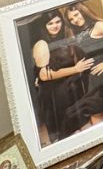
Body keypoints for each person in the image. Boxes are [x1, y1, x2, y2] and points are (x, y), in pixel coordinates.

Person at [31, 9, 92, 144]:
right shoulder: (42, 44)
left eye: (58, 21)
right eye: (50, 23)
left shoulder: (61, 39)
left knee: (80, 130)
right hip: (55, 96)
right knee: (68, 135)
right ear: (43, 26)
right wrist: (75, 69)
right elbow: (43, 75)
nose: (55, 26)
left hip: (69, 91)